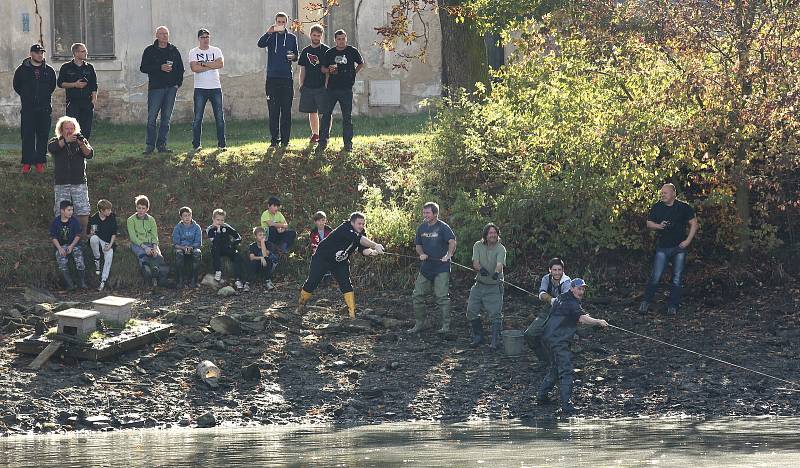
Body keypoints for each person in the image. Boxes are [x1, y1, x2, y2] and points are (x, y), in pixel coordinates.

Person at [536, 278, 608, 416]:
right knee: (566, 370)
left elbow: (577, 315)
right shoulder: (571, 302)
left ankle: (542, 397)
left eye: (583, 289)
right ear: (572, 288)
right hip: (558, 340)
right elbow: (581, 318)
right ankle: (566, 405)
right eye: (579, 288)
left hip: (546, 338)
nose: (581, 291)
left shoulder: (561, 298)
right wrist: (598, 321)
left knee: (555, 368)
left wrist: (592, 321)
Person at [296, 212, 385, 319]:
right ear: (352, 223)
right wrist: (376, 245)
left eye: (363, 224)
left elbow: (363, 249)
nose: (361, 226)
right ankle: (301, 304)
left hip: (339, 262)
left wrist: (373, 252)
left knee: (346, 284)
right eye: (359, 223)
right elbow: (359, 239)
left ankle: (351, 313)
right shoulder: (345, 228)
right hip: (322, 258)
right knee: (312, 281)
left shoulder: (361, 233)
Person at [639, 183, 699, 316]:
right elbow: (648, 223)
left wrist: (688, 241)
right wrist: (659, 226)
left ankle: (673, 306)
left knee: (677, 278)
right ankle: (646, 302)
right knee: (656, 275)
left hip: (679, 248)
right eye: (662, 193)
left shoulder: (683, 207)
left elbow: (694, 224)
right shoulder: (657, 207)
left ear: (673, 193)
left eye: (665, 193)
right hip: (663, 247)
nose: (662, 195)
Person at [408, 202, 457, 334]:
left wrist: (449, 255)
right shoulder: (421, 228)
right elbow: (418, 245)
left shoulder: (443, 227)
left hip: (441, 267)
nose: (425, 215)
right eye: (424, 213)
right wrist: (421, 254)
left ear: (435, 214)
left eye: (428, 213)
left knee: (441, 296)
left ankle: (446, 326)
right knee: (417, 295)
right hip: (426, 267)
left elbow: (452, 241)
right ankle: (421, 323)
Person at [316, 29, 364, 153]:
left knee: (347, 117)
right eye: (339, 39)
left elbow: (360, 63)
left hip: (346, 89)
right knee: (326, 116)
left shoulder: (352, 51)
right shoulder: (330, 52)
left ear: (346, 39)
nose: (341, 41)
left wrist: (353, 73)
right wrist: (328, 70)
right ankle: (322, 142)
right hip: (331, 89)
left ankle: (348, 144)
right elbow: (322, 68)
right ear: (335, 40)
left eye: (343, 39)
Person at [140, 26, 184, 154]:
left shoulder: (173, 50)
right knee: (152, 118)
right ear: (157, 35)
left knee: (166, 118)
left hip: (171, 89)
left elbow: (180, 69)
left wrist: (177, 84)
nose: (164, 36)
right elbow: (143, 68)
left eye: (166, 34)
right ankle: (149, 146)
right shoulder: (150, 50)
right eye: (162, 34)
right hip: (156, 89)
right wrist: (160, 67)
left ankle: (162, 145)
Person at [257, 12, 299, 148]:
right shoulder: (271, 37)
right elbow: (260, 44)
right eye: (278, 22)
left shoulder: (292, 37)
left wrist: (293, 57)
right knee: (273, 111)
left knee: (286, 111)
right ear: (275, 22)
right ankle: (274, 140)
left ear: (286, 23)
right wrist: (268, 32)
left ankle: (286, 141)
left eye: (283, 22)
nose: (281, 24)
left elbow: (296, 55)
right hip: (272, 79)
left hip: (287, 78)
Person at [13, 43, 57, 174]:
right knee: (27, 136)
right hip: (28, 109)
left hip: (44, 109)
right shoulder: (21, 70)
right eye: (37, 53)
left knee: (43, 136)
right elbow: (17, 86)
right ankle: (27, 163)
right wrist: (27, 96)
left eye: (42, 53)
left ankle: (40, 162)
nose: (40, 55)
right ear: (31, 54)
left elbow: (51, 87)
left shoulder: (49, 70)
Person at [48, 116, 93, 236]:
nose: (69, 131)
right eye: (66, 128)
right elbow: (52, 148)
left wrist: (82, 144)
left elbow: (89, 154)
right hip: (62, 182)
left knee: (83, 209)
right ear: (61, 130)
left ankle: (82, 235)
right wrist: (65, 141)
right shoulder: (55, 141)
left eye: (72, 128)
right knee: (61, 210)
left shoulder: (81, 140)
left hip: (79, 182)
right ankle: (61, 236)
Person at [466, 223, 507, 350]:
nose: (493, 235)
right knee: (471, 311)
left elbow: (500, 264)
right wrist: (481, 269)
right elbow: (475, 263)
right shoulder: (477, 245)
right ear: (485, 235)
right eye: (490, 233)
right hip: (479, 285)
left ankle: (495, 341)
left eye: (495, 233)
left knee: (495, 314)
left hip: (495, 286)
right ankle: (479, 337)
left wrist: (496, 273)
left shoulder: (501, 248)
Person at [524, 258, 572, 364]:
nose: (557, 272)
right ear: (550, 270)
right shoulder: (546, 279)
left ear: (563, 270)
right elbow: (541, 294)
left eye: (559, 270)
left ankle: (557, 362)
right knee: (529, 334)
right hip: (548, 308)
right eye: (554, 270)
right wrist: (551, 300)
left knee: (551, 337)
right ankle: (544, 360)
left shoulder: (567, 282)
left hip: (563, 312)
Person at [188, 28, 226, 152]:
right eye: (203, 37)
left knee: (219, 117)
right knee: (198, 117)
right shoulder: (193, 52)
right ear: (199, 39)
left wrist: (203, 64)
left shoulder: (216, 50)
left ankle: (222, 144)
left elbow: (220, 64)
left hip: (215, 87)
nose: (206, 39)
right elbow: (194, 68)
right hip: (200, 88)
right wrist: (211, 64)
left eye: (207, 37)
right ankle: (196, 145)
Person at [57, 43, 98, 138]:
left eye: (85, 51)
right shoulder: (66, 67)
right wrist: (74, 85)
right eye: (83, 51)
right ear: (75, 53)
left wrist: (94, 100)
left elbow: (94, 85)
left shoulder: (89, 67)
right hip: (73, 102)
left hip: (87, 102)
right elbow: (60, 83)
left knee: (86, 129)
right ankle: (71, 150)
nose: (86, 53)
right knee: (71, 129)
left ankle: (84, 150)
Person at [127, 195, 168, 287]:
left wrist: (155, 247)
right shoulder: (131, 220)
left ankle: (160, 279)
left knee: (158, 257)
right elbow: (133, 237)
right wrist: (145, 247)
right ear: (136, 207)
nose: (141, 210)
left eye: (143, 208)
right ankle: (148, 278)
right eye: (139, 208)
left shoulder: (151, 219)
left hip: (151, 243)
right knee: (144, 257)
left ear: (147, 209)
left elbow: (154, 235)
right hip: (138, 244)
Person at [298, 24, 329, 143]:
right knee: (312, 111)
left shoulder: (326, 50)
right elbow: (303, 69)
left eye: (318, 36)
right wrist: (301, 84)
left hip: (322, 86)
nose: (316, 37)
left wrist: (327, 85)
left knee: (325, 112)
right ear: (310, 35)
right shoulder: (306, 51)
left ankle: (325, 135)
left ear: (321, 36)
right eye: (314, 35)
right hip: (308, 86)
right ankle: (315, 134)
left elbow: (328, 70)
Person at [50, 200, 87, 290]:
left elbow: (78, 235)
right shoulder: (56, 222)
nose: (71, 212)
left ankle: (82, 283)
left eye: (72, 210)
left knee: (79, 260)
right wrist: (59, 248)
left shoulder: (74, 221)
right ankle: (70, 284)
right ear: (62, 211)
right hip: (61, 245)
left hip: (74, 245)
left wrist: (71, 246)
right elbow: (53, 237)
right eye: (69, 210)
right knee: (61, 261)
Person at [206, 208, 245, 290]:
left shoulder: (226, 226)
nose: (220, 222)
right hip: (217, 248)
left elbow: (237, 235)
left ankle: (238, 279)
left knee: (237, 256)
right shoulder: (210, 229)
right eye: (218, 220)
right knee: (215, 249)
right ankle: (218, 271)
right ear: (213, 219)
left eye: (222, 220)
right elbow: (215, 241)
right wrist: (219, 230)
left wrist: (234, 243)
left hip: (227, 247)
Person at [88, 199, 117, 292]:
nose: (110, 211)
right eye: (108, 210)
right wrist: (92, 233)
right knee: (93, 239)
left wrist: (110, 245)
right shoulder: (94, 218)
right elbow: (91, 233)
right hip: (98, 239)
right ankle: (97, 258)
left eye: (110, 209)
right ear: (101, 210)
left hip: (108, 241)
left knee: (109, 255)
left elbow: (114, 233)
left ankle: (103, 280)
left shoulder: (112, 217)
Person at [172, 206, 203, 289]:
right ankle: (181, 279)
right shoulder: (177, 228)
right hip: (181, 247)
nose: (187, 217)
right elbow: (175, 243)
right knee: (178, 253)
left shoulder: (197, 227)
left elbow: (198, 242)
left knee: (198, 253)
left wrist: (191, 247)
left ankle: (194, 280)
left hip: (193, 247)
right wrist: (183, 248)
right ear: (181, 217)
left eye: (189, 215)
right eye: (185, 216)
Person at [248, 226, 279, 291]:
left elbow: (265, 255)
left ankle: (268, 281)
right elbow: (252, 257)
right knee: (253, 262)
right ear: (255, 236)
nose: (262, 236)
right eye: (260, 235)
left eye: (263, 235)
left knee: (267, 259)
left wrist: (262, 243)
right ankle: (247, 282)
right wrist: (261, 258)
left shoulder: (268, 244)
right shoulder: (252, 246)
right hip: (259, 265)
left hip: (270, 265)